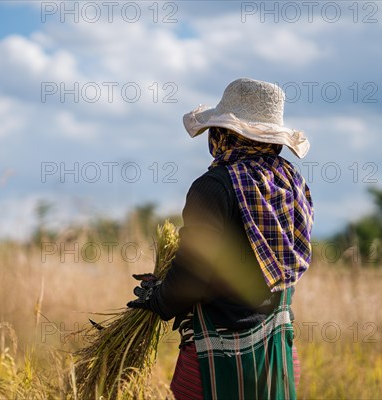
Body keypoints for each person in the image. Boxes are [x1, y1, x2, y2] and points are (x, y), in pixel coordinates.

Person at [127, 78, 314, 400]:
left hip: (222, 352)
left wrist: (157, 300)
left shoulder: (215, 185)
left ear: (224, 134)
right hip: (279, 349)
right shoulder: (289, 179)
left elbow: (195, 269)